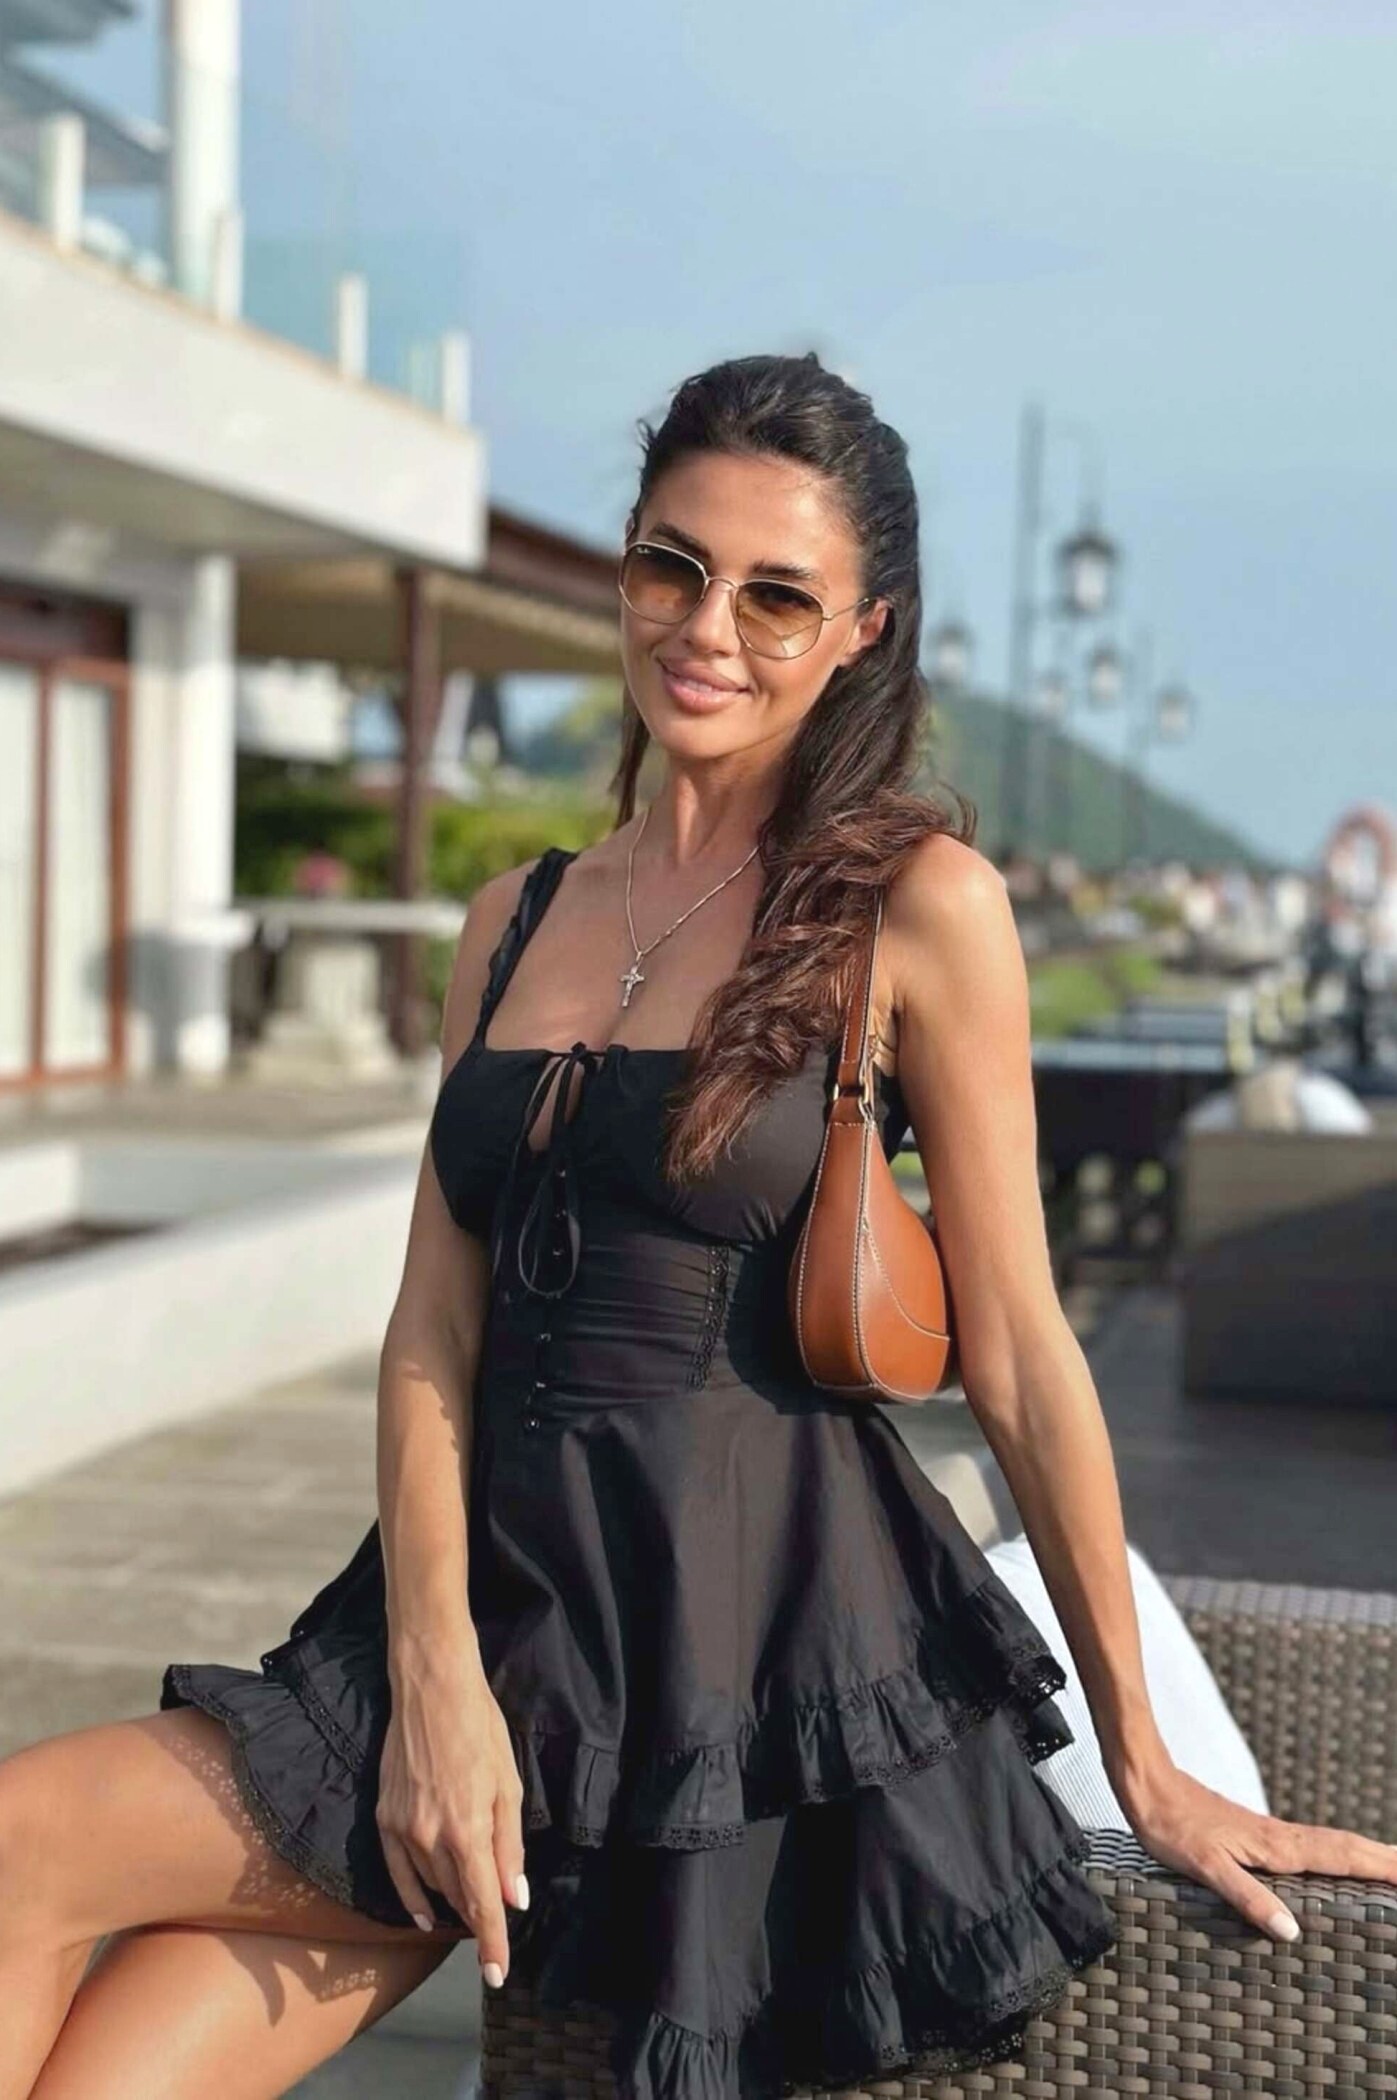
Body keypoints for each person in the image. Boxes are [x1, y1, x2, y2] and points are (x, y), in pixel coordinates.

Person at [5, 352, 1395, 2100]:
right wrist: (434, 1676)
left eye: (774, 595)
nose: (706, 628)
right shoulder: (514, 920)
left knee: (24, 1842)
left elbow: (1023, 1351)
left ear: (862, 631)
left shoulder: (914, 906)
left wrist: (1145, 1762)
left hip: (725, 1650)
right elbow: (434, 1328)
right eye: (672, 565)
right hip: (464, 1622)